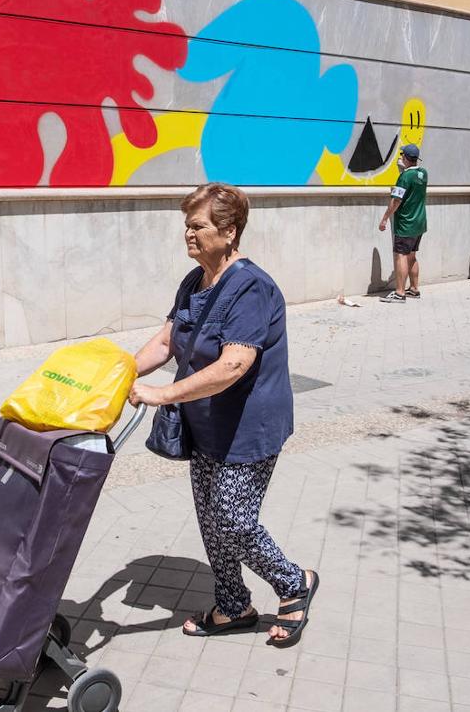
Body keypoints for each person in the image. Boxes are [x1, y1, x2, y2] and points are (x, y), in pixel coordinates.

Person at [128, 182, 317, 647]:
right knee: (210, 519)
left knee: (233, 520)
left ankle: (295, 584)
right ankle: (233, 605)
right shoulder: (194, 282)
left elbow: (234, 363)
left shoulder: (251, 287)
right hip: (205, 424)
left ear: (229, 231)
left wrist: (163, 393)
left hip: (248, 427)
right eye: (186, 226)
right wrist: (115, 375)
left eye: (198, 226)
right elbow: (166, 342)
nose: (188, 235)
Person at [378, 143, 428, 303]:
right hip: (420, 223)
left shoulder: (404, 177)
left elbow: (396, 200)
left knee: (401, 256)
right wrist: (404, 172)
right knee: (412, 256)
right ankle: (414, 289)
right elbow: (413, 186)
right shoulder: (423, 173)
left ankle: (400, 293)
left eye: (401, 156)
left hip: (406, 223)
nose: (399, 158)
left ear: (406, 158)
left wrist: (385, 218)